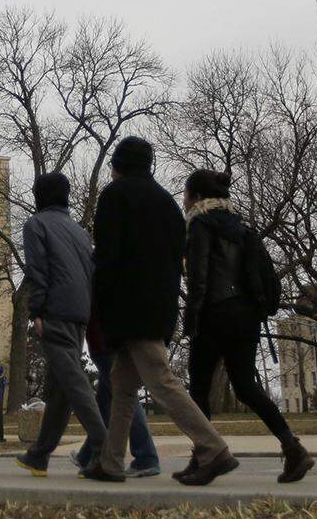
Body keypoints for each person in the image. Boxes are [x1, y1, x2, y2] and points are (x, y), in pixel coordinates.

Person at [82, 136, 237, 486]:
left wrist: (102, 305)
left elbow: (106, 258)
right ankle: (110, 462)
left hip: (127, 307)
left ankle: (214, 449)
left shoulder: (114, 196)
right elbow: (175, 257)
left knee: (162, 381)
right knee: (122, 386)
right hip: (160, 305)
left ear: (118, 165)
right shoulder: (167, 204)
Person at [182, 169, 314, 483]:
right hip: (246, 315)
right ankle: (292, 447)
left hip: (214, 313)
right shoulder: (242, 228)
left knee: (199, 388)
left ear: (198, 197)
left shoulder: (200, 224)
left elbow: (199, 279)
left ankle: (206, 458)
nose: (183, 200)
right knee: (245, 386)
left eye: (186, 194)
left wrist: (192, 320)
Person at [14, 173, 107, 477]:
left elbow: (37, 270)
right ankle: (39, 455)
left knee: (74, 381)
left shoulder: (36, 225)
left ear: (39, 196)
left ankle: (103, 443)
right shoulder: (80, 231)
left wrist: (37, 311)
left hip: (54, 310)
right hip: (81, 311)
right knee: (60, 389)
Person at [72, 315, 160, 477]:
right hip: (105, 341)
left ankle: (146, 456)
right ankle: (88, 454)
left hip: (106, 342)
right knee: (106, 402)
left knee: (125, 396)